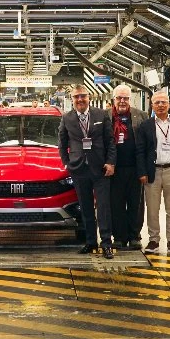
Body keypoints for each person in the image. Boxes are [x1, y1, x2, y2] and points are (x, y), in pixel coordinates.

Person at [58, 84, 116, 258]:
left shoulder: (101, 115)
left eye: (83, 96)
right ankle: (91, 242)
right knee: (86, 207)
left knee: (104, 207)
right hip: (79, 169)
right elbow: (62, 143)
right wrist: (67, 164)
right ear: (72, 99)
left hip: (100, 168)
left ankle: (106, 243)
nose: (80, 99)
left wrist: (110, 162)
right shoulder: (66, 118)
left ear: (89, 97)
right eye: (76, 97)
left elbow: (110, 141)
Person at [136, 91, 170, 254]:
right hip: (152, 171)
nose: (161, 105)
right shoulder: (145, 125)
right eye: (157, 103)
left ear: (169, 104)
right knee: (152, 208)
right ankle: (153, 240)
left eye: (164, 102)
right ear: (152, 105)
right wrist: (142, 172)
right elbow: (140, 150)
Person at [108, 84, 148, 250]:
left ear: (130, 99)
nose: (122, 101)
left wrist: (145, 168)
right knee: (116, 204)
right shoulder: (106, 116)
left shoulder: (141, 116)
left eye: (125, 98)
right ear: (114, 99)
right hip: (114, 169)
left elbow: (147, 142)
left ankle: (134, 236)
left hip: (135, 168)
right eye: (119, 98)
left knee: (135, 204)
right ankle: (118, 237)